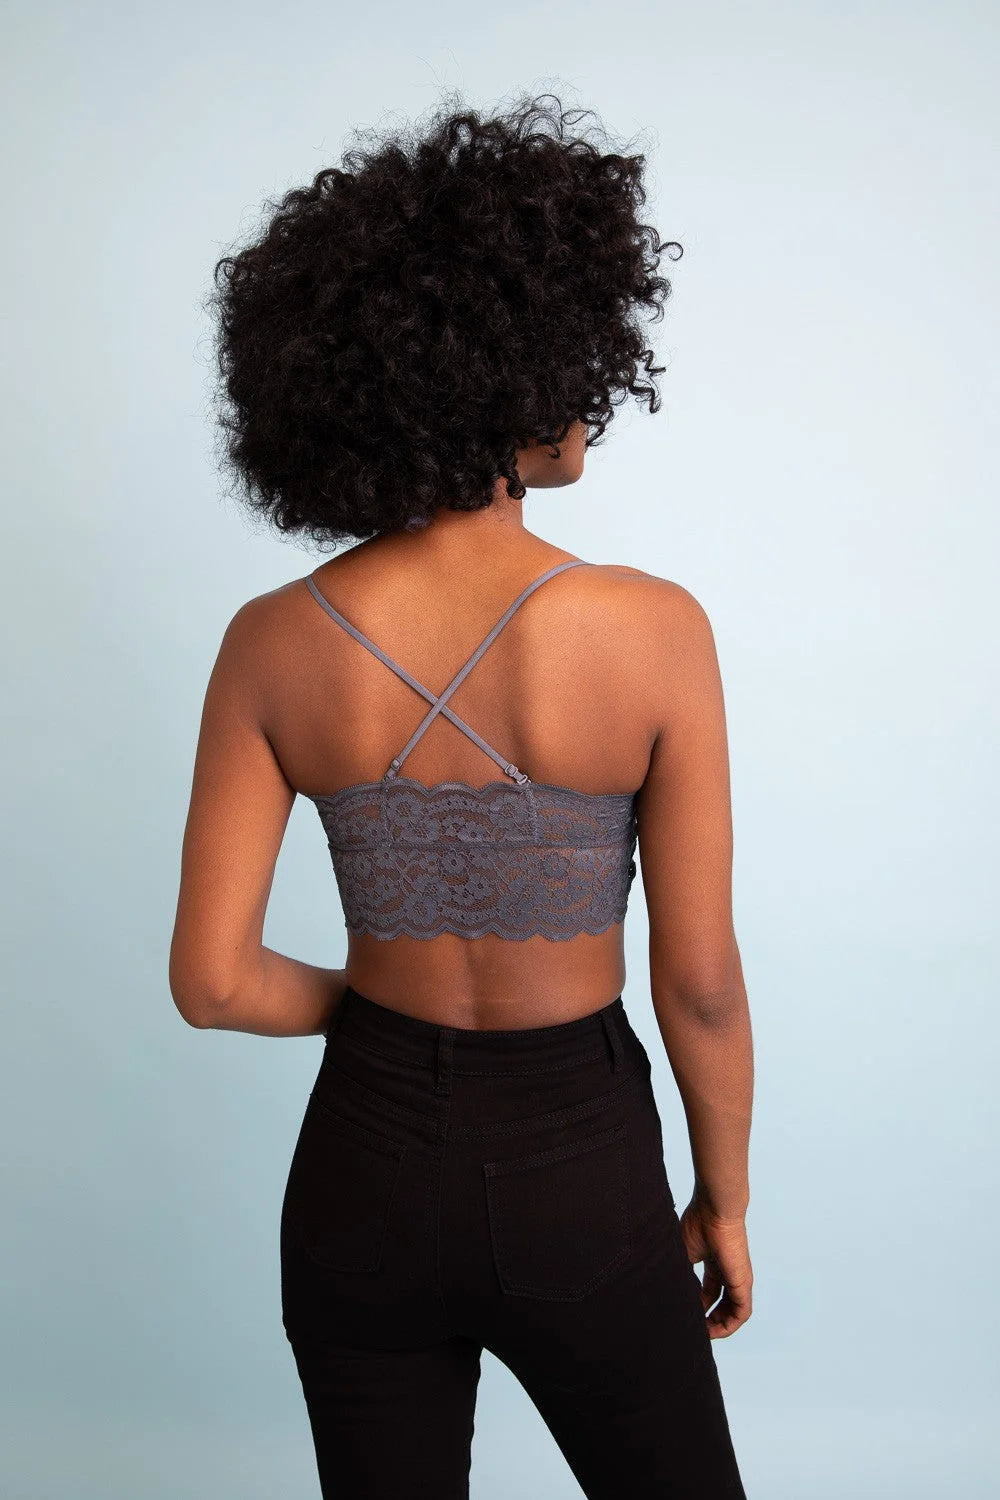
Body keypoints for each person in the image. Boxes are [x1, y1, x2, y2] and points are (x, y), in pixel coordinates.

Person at [170, 91, 753, 1499]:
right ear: (509, 365)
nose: (596, 395)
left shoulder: (270, 641)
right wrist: (725, 1197)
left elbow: (214, 981)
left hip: (362, 1171)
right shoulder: (655, 628)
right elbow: (702, 985)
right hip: (580, 1165)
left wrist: (379, 1003)